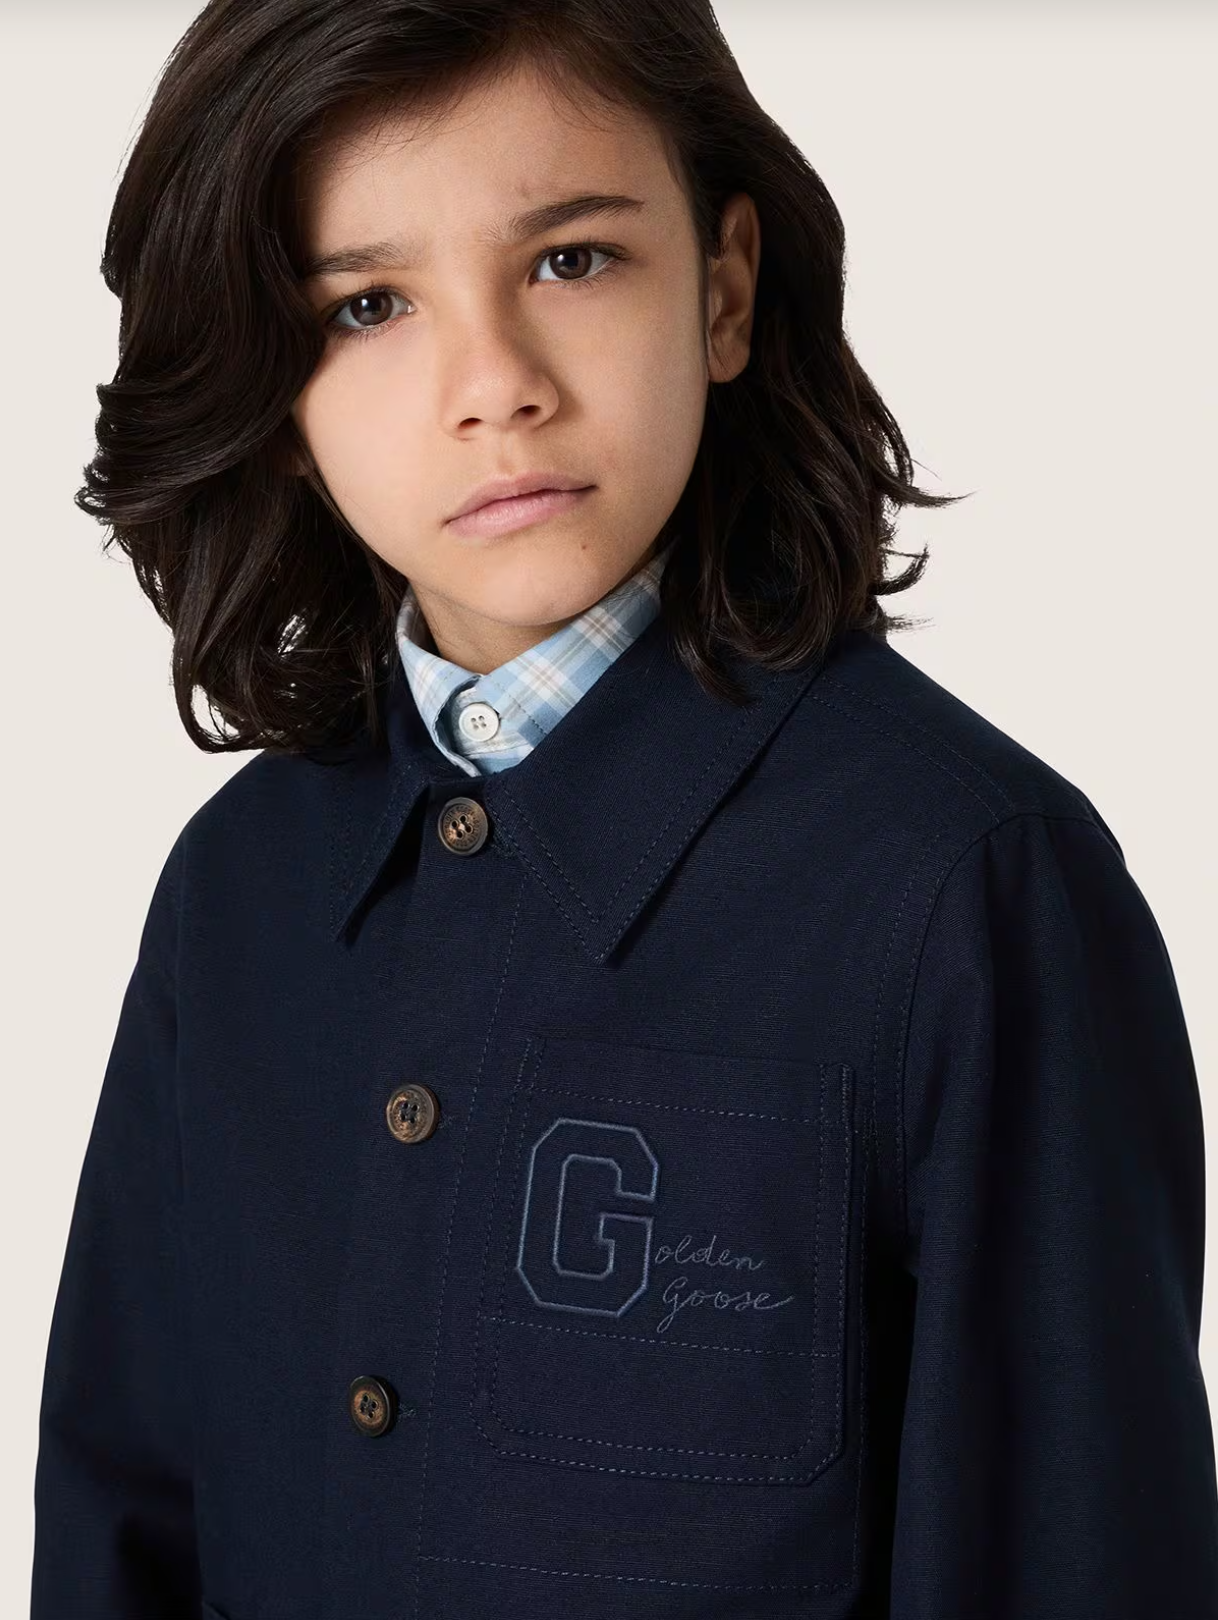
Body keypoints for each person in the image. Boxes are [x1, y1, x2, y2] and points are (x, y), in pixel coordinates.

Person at [30, 1, 1218, 1616]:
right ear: (270, 390)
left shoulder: (968, 889)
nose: (494, 386)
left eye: (571, 260)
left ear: (722, 290)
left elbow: (1065, 1558)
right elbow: (121, 1521)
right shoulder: (235, 889)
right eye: (367, 305)